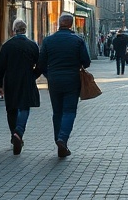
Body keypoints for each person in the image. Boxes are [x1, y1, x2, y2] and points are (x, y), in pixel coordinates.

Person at [37, 12, 91, 158]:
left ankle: (58, 141)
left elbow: (41, 64)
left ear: (59, 24)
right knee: (69, 111)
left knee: (57, 112)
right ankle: (63, 139)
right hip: (72, 79)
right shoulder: (78, 40)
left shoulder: (48, 41)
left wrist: (49, 75)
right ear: (71, 24)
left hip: (54, 80)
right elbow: (86, 62)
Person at [0, 18, 40, 156]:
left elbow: (0, 66)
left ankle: (14, 135)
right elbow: (40, 64)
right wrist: (33, 76)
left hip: (11, 80)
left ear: (14, 30)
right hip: (27, 80)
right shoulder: (33, 45)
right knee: (24, 107)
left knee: (11, 109)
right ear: (25, 30)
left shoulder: (7, 45)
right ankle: (19, 132)